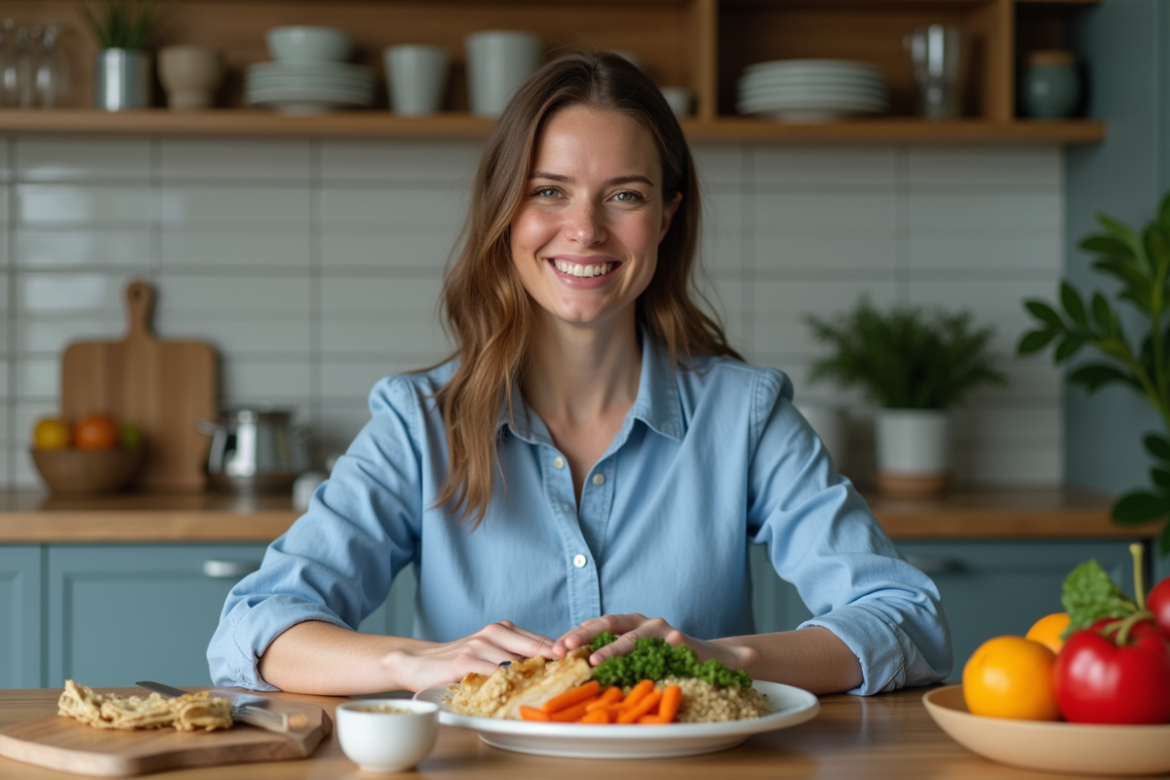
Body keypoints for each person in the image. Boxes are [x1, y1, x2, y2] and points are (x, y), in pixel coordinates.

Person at [207, 51, 951, 697]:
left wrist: (722, 658)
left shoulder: (745, 416)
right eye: (549, 191)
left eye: (624, 195)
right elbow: (254, 627)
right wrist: (418, 661)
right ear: (506, 212)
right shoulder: (418, 423)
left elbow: (907, 618)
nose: (586, 229)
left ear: (664, 219)